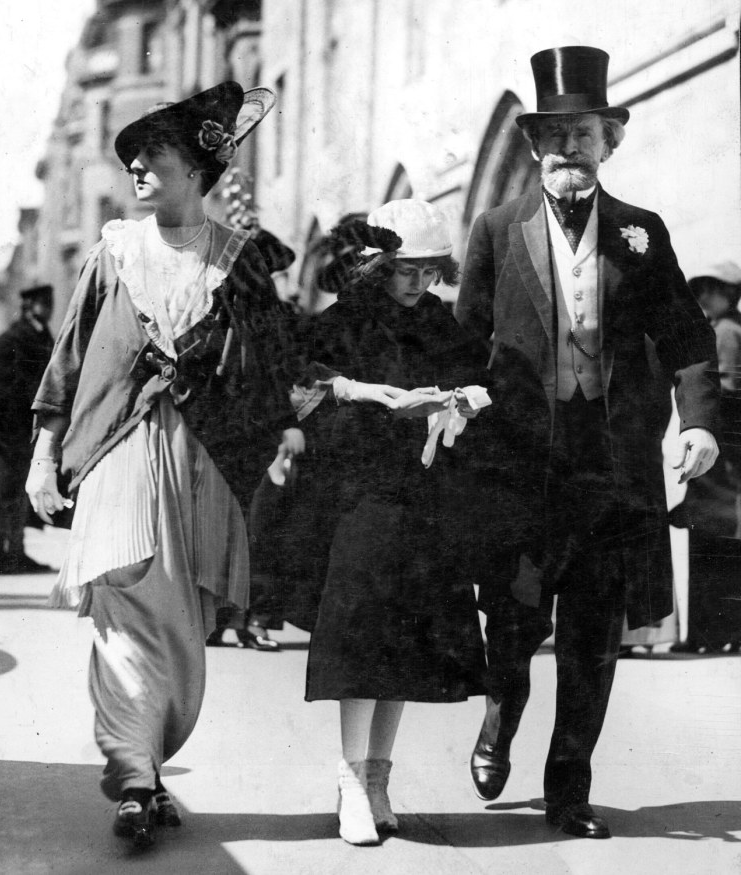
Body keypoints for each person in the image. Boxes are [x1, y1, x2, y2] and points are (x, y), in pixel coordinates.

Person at [25, 81, 303, 848]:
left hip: (203, 458)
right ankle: (134, 771)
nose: (139, 168)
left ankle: (148, 754)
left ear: (196, 171)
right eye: (136, 157)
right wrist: (44, 453)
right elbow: (69, 358)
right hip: (119, 445)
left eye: (156, 155)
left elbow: (276, 364)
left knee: (184, 620)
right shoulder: (114, 250)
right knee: (122, 600)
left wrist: (284, 432)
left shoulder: (240, 262)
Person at [457, 46, 720, 840]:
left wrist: (700, 419)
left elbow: (686, 333)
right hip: (522, 466)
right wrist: (457, 404)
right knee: (513, 621)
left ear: (611, 142)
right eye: (557, 134)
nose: (571, 148)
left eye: (587, 133)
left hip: (611, 466)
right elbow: (463, 341)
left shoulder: (643, 233)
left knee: (594, 637)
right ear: (536, 146)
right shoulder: (497, 229)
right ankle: (502, 710)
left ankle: (570, 787)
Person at [296, 199, 490, 845]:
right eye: (406, 270)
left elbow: (479, 381)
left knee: (405, 641)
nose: (417, 284)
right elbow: (303, 391)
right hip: (361, 497)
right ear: (379, 265)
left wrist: (455, 402)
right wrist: (366, 396)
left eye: (429, 271)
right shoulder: (345, 321)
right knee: (361, 637)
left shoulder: (441, 321)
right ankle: (351, 777)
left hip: (425, 500)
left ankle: (379, 777)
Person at [206, 225, 298, 650]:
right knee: (230, 528)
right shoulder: (218, 314)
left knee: (260, 528)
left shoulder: (279, 318)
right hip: (227, 432)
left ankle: (251, 618)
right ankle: (222, 618)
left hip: (262, 433)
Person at [670, 261, 741, 653]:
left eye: (708, 290)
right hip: (727, 455)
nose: (700, 299)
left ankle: (709, 633)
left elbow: (728, 389)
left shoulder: (726, 332)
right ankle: (717, 632)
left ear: (727, 291)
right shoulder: (728, 328)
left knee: (713, 539)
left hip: (723, 455)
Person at [0, 284, 55, 573]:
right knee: (6, 494)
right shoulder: (13, 338)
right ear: (29, 306)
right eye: (43, 303)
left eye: (49, 303)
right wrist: (8, 427)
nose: (48, 308)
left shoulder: (40, 335)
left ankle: (15, 552)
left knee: (19, 493)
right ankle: (0, 554)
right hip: (9, 429)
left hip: (26, 428)